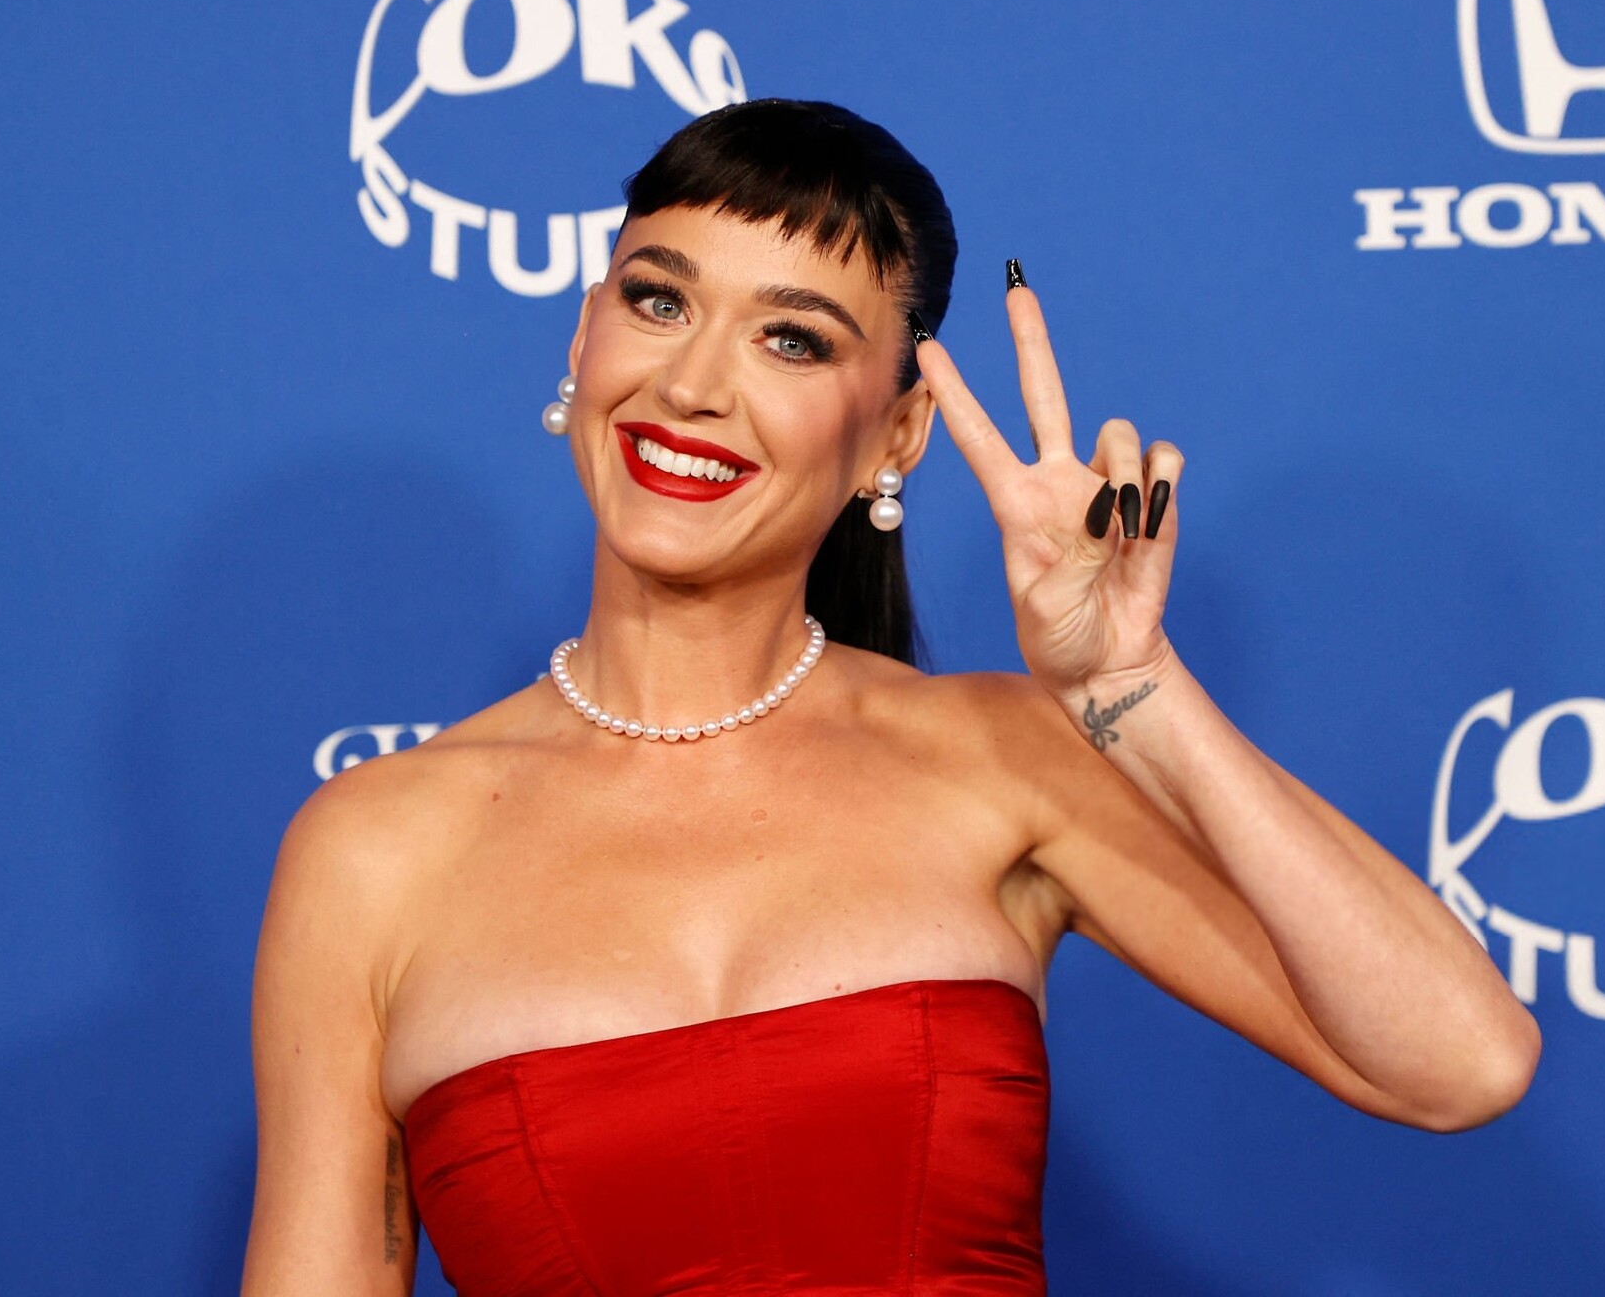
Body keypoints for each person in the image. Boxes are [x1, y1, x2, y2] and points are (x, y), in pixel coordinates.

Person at [241, 98, 1539, 1296]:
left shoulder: (1003, 759)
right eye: (658, 301)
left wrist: (1133, 689)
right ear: (584, 338)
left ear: (898, 434)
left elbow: (1459, 1063)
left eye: (792, 339)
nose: (691, 386)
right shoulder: (376, 851)